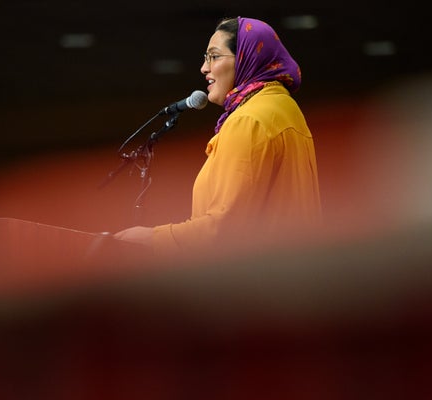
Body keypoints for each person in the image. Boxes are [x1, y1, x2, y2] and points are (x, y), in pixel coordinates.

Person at [114, 16, 322, 257]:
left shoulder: (248, 120)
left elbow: (223, 231)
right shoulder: (285, 108)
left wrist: (152, 238)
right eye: (205, 58)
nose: (204, 68)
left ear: (245, 57)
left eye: (214, 56)